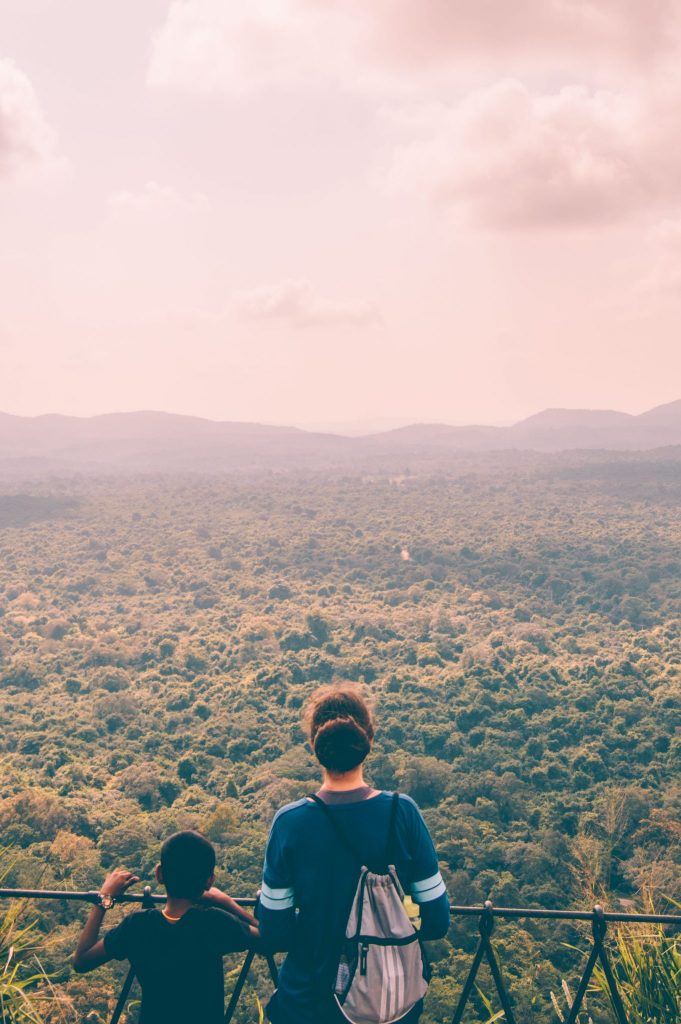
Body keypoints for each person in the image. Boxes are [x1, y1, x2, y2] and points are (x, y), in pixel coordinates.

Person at [258, 684, 450, 1024]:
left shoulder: (291, 823)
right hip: (389, 1006)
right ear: (368, 740)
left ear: (316, 745)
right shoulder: (402, 814)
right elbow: (436, 921)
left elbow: (275, 932)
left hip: (309, 1004)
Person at [73, 830, 260, 1024]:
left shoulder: (137, 926)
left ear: (159, 874)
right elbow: (266, 936)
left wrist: (104, 899)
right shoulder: (215, 924)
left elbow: (82, 960)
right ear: (209, 881)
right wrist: (226, 902)